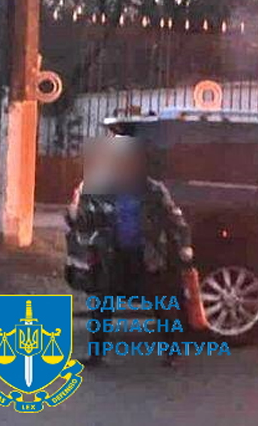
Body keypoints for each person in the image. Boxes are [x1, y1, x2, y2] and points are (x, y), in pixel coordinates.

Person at [66, 136, 193, 368]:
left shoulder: (154, 190)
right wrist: (74, 213)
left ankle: (172, 352)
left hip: (147, 256)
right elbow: (89, 218)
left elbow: (177, 220)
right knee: (103, 304)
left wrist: (185, 248)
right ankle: (96, 356)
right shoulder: (105, 189)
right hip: (114, 256)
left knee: (161, 304)